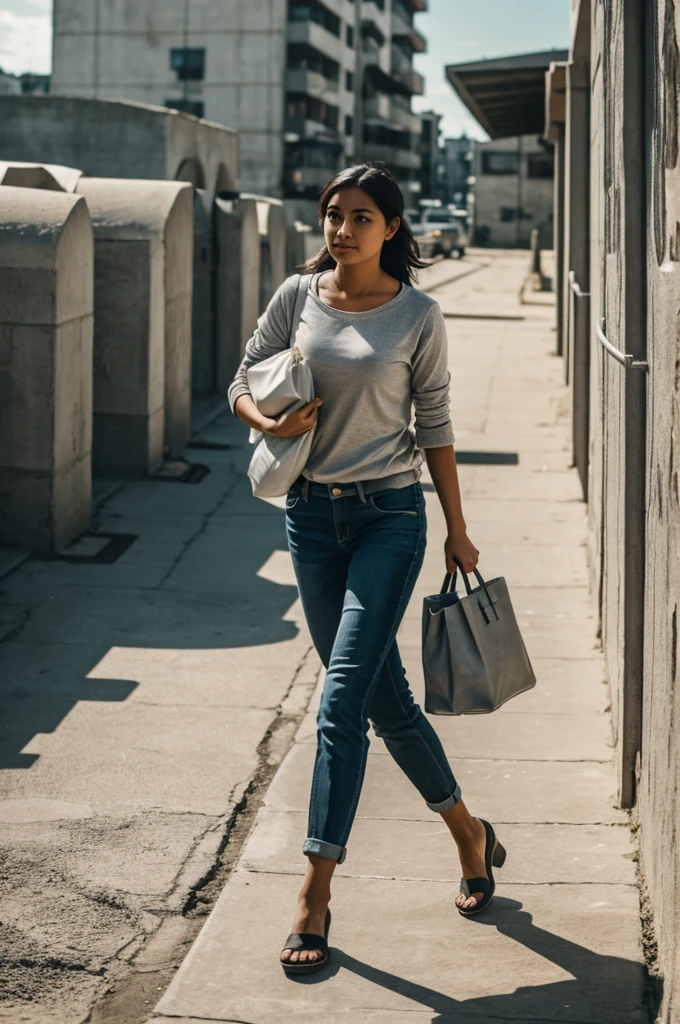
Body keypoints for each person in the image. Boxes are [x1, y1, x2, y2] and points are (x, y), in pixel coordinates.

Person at [228, 163, 506, 975]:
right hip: (310, 519)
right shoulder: (297, 294)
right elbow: (246, 373)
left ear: (390, 228)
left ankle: (313, 891)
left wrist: (458, 528)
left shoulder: (419, 314)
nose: (341, 230)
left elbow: (437, 420)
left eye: (360, 218)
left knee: (342, 698)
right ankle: (469, 833)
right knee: (385, 702)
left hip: (389, 516)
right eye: (333, 215)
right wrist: (266, 416)